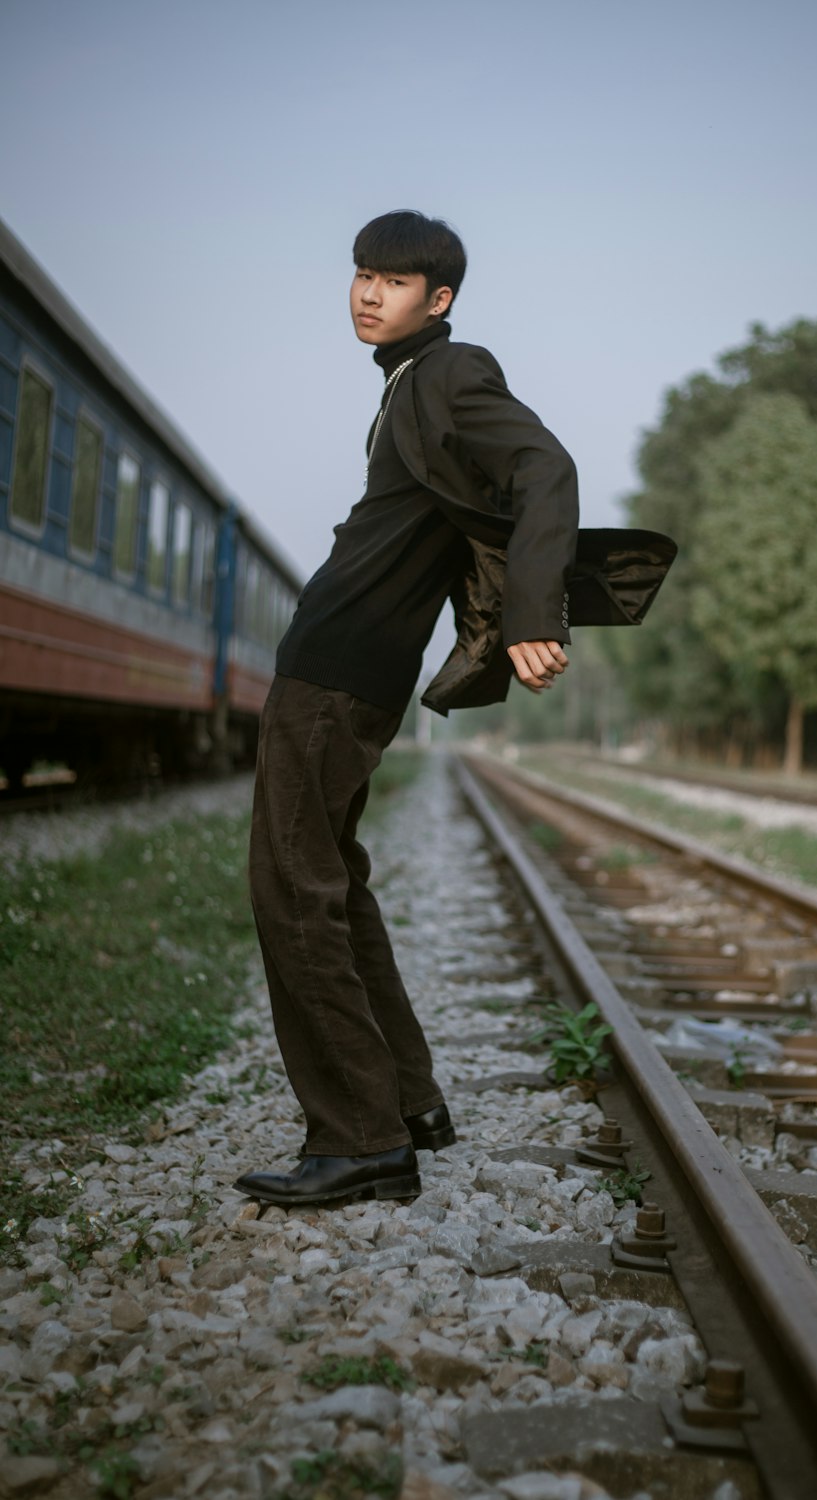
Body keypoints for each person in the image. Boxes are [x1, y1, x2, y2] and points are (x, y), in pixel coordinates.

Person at [235, 210, 580, 1208]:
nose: (365, 293)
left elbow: (543, 467)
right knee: (329, 878)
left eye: (391, 281)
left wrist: (531, 612)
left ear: (438, 300)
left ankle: (358, 1138)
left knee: (289, 888)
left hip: (337, 668)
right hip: (350, 661)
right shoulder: (404, 388)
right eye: (359, 275)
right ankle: (409, 1105)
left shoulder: (449, 371)